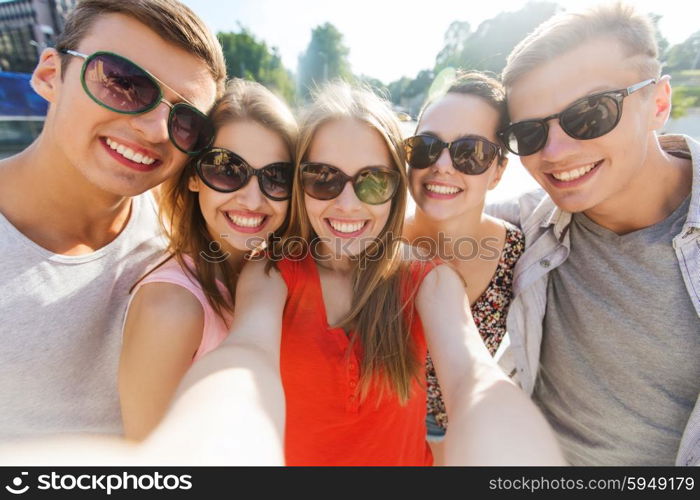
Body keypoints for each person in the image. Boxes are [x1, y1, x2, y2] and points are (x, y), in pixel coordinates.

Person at [226, 81, 563, 465]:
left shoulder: (435, 276)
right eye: (323, 178)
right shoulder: (270, 272)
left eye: (373, 182)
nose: (348, 204)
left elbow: (473, 372)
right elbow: (245, 352)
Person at [0, 0, 226, 441]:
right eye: (123, 83)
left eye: (188, 122)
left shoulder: (181, 221)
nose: (156, 130)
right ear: (50, 75)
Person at [489, 2, 700, 465]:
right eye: (529, 133)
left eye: (589, 114)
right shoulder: (525, 226)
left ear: (658, 104)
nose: (557, 152)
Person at [119, 79, 297, 440]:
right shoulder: (170, 309)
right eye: (226, 169)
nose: (252, 199)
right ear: (195, 177)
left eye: (277, 177)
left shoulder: (267, 272)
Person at [403, 71, 525, 444]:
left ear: (498, 171)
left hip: (461, 434)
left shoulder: (519, 254)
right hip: (376, 429)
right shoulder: (370, 244)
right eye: (426, 146)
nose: (442, 165)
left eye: (470, 152)